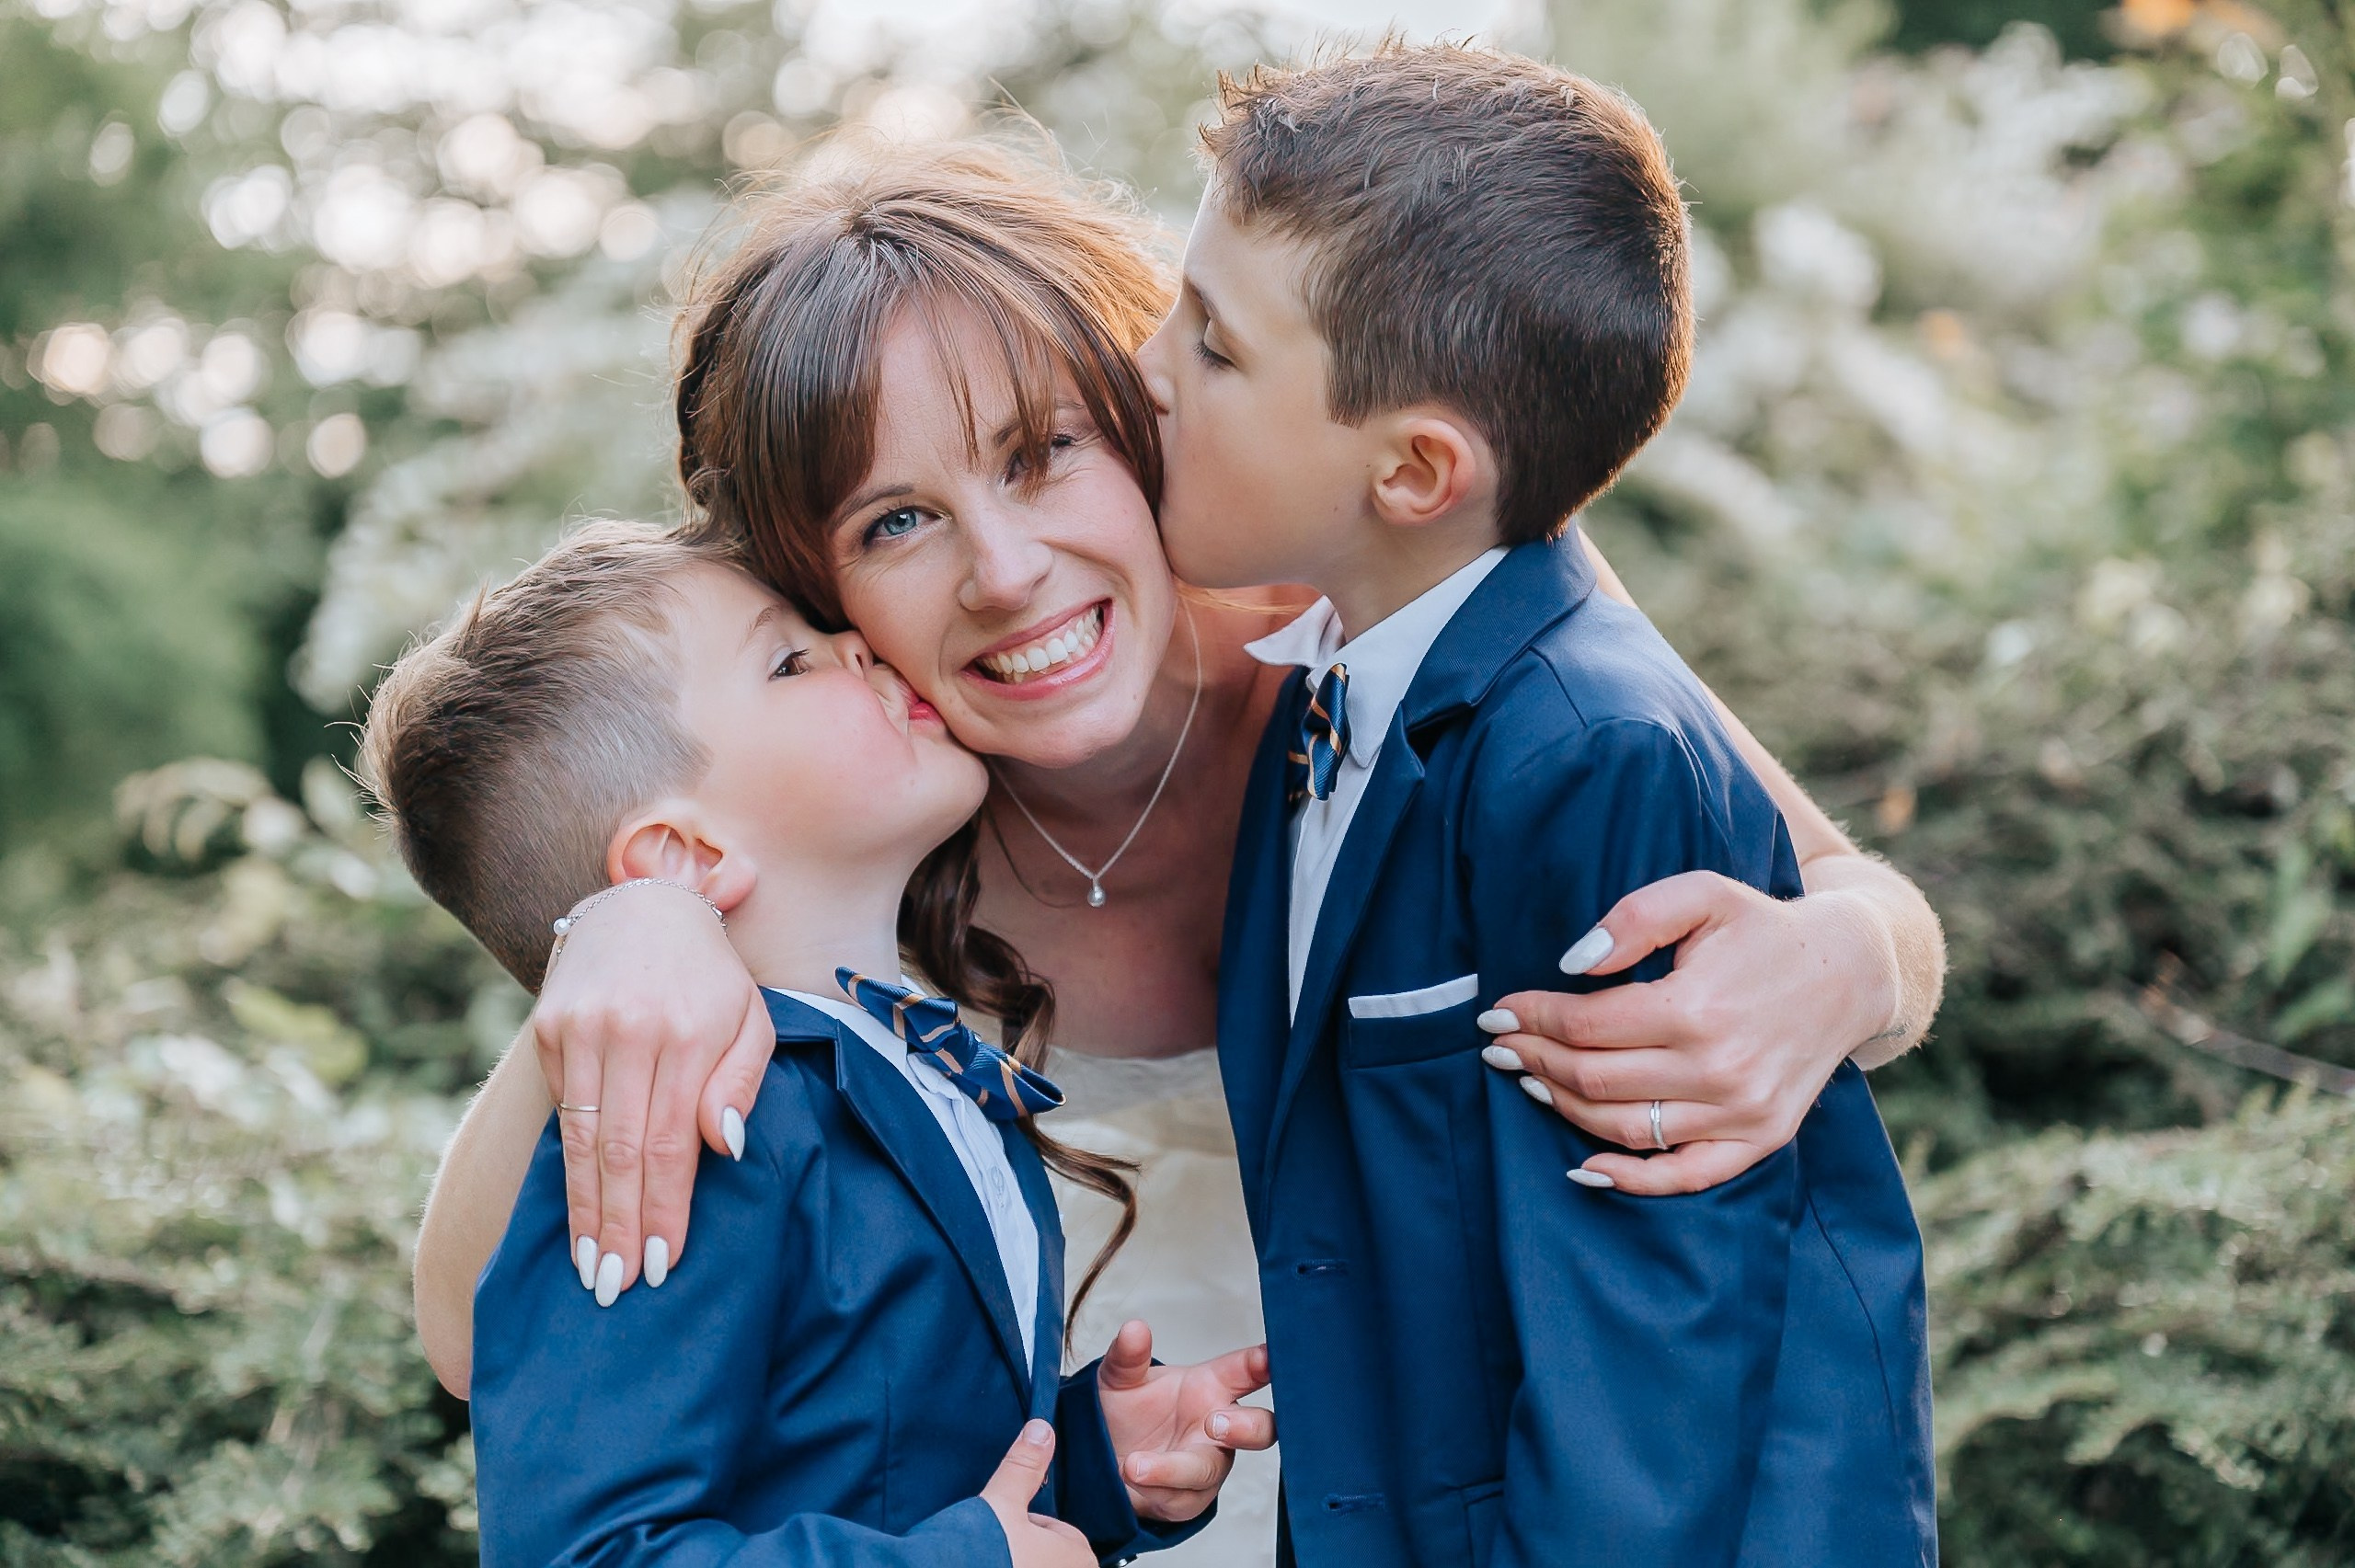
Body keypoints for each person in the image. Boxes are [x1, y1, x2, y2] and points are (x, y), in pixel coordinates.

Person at [408, 132, 1947, 1564]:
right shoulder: (852, 875)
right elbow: (485, 1339)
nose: (1007, 574)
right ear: (815, 597)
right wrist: (621, 932)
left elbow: (1845, 890)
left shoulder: (1387, 616)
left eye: (1041, 451)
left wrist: (1846, 960)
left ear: (1149, 406)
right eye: (894, 525)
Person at [1146, 45, 1935, 1565]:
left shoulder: (1592, 753)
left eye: (1214, 347)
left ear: (1416, 467)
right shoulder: (1328, 680)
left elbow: (1648, 1375)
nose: (1148, 370)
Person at [361, 521, 1272, 1565]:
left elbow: (871, 1459)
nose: (857, 647)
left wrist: (1091, 1467)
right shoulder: (692, 1125)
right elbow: (591, 1551)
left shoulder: (910, 1066)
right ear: (682, 857)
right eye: (790, 659)